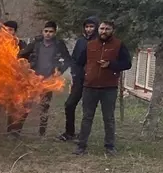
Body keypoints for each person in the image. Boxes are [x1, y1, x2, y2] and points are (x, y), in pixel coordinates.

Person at [75, 19, 131, 155]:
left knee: (109, 118)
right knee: (87, 117)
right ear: (98, 30)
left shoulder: (119, 45)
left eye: (107, 29)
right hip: (90, 86)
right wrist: (85, 75)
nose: (104, 31)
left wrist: (111, 65)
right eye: (101, 29)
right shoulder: (90, 45)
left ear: (112, 31)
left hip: (109, 87)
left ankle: (110, 146)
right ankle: (81, 146)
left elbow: (127, 63)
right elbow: (79, 62)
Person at [10, 20, 71, 136]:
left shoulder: (59, 44)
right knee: (26, 105)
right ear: (42, 32)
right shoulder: (36, 43)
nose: (48, 34)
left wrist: (59, 71)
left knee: (44, 108)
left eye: (51, 32)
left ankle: (41, 133)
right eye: (46, 31)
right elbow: (23, 53)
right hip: (34, 79)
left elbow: (67, 60)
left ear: (54, 33)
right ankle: (17, 131)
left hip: (48, 80)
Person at [62, 17, 99, 141]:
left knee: (87, 109)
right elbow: (74, 60)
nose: (89, 29)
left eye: (91, 27)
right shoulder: (81, 42)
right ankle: (69, 133)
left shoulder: (100, 41)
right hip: (79, 79)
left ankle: (83, 136)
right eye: (87, 26)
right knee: (69, 104)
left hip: (93, 81)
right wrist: (74, 75)